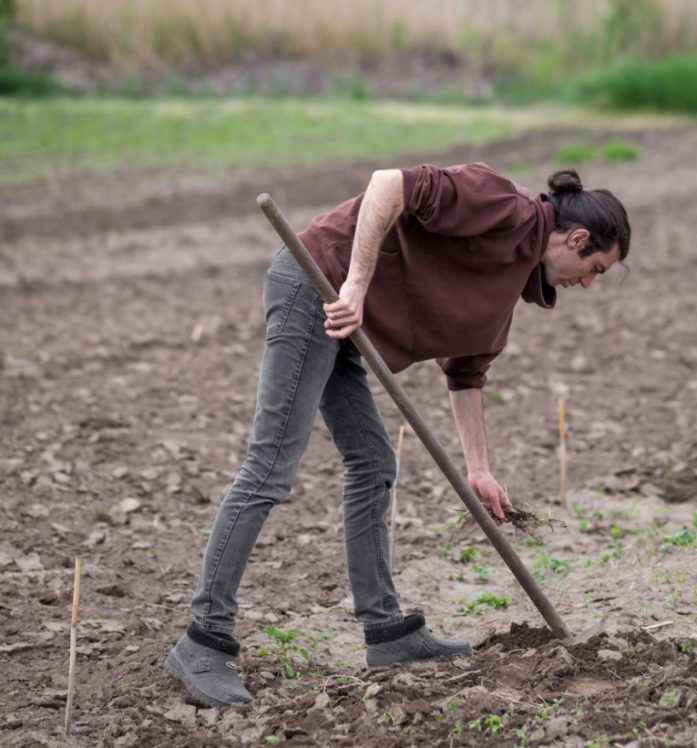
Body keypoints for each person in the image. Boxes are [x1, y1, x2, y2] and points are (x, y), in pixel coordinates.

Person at [164, 163, 631, 707]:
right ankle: (203, 642)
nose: (588, 283)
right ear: (576, 238)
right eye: (594, 267)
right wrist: (355, 286)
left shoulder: (509, 281)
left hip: (343, 320)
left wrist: (478, 468)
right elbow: (390, 183)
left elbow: (467, 373)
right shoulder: (504, 206)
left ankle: (387, 634)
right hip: (315, 282)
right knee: (270, 467)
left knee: (373, 463)